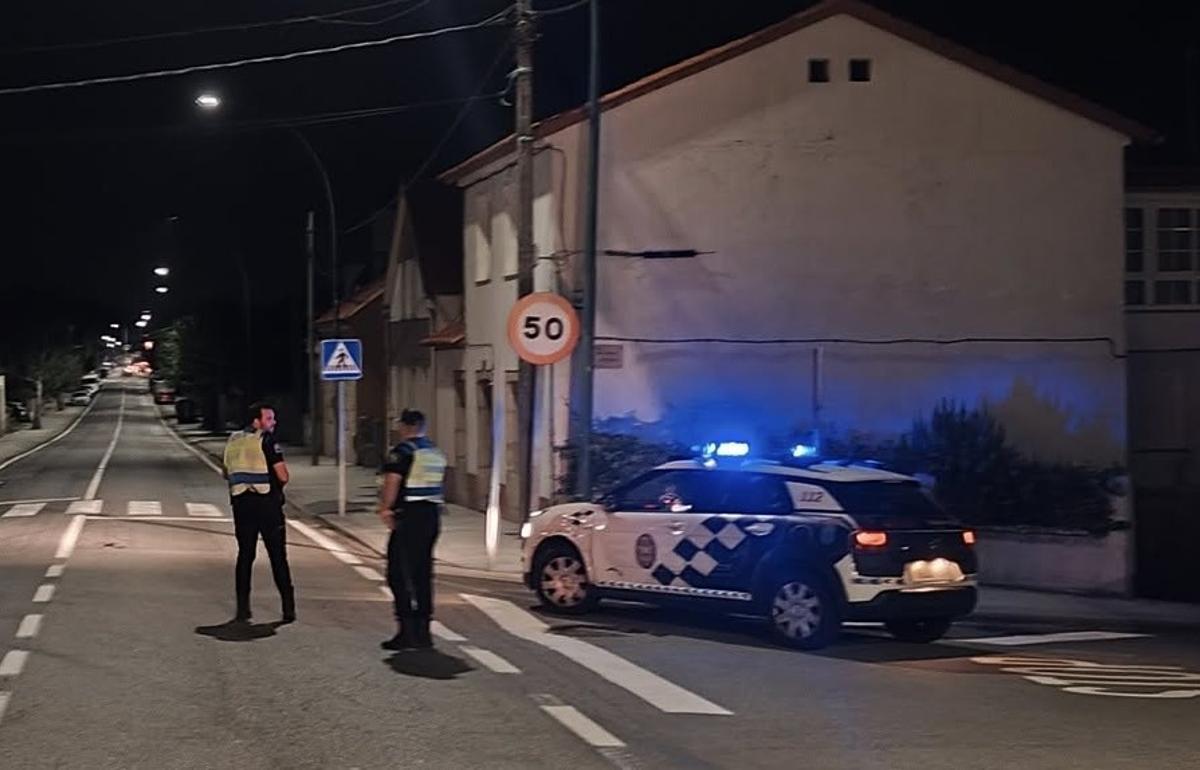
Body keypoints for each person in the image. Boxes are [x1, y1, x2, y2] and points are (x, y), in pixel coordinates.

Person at [378, 409, 447, 651]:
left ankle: (406, 631)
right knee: (423, 574)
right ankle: (424, 631)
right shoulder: (434, 451)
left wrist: (385, 509)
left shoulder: (403, 451)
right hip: (431, 517)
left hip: (409, 518)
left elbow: (392, 481)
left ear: (405, 426)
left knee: (398, 574)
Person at [222, 402, 295, 624]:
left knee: (245, 556)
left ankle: (243, 609)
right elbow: (283, 476)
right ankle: (288, 609)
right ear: (257, 421)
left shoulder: (234, 440)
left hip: (242, 505)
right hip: (267, 505)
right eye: (269, 418)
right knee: (277, 557)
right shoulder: (267, 440)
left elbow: (226, 471)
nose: (274, 423)